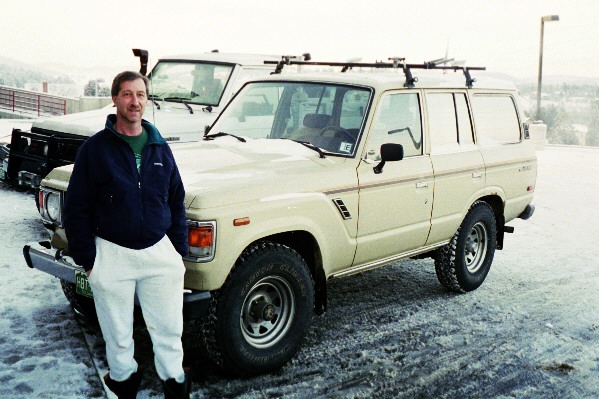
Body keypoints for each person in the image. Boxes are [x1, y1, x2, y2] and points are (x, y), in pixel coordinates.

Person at [64, 71, 191, 399]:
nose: (134, 102)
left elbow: (176, 200)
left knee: (168, 331)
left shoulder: (160, 148)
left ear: (146, 100)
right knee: (117, 335)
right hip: (112, 254)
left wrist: (176, 250)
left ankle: (175, 387)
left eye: (140, 95)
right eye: (127, 94)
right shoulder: (95, 150)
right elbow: (76, 206)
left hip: (159, 254)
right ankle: (123, 386)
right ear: (115, 98)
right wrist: (89, 260)